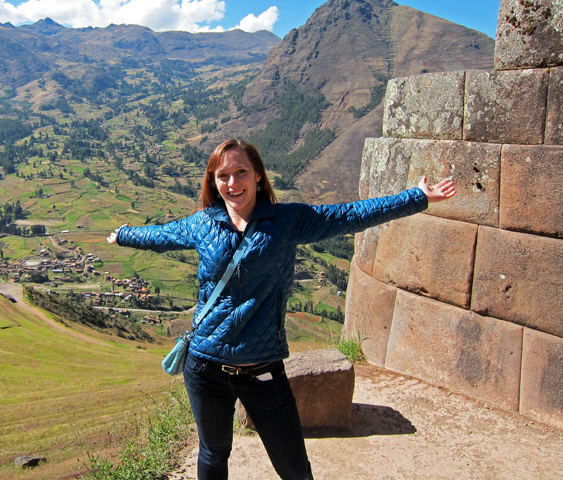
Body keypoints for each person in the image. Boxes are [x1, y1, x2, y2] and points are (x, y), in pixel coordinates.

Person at [107, 138, 455, 480]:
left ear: (258, 174)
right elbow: (161, 236)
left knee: (293, 467)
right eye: (222, 176)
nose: (232, 183)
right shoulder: (203, 223)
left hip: (262, 369)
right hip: (205, 366)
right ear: (213, 182)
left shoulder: (288, 220)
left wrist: (417, 197)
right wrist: (124, 235)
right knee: (213, 454)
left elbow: (350, 215)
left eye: (240, 171)